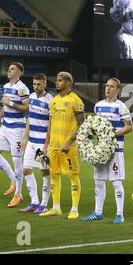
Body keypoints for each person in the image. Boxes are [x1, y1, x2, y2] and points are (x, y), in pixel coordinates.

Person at [82, 78, 133, 223]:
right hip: (101, 150)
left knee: (116, 181)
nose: (108, 89)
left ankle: (120, 215)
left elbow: (129, 127)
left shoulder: (121, 107)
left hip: (115, 149)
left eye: (112, 87)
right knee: (98, 181)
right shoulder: (98, 106)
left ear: (118, 89)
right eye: (107, 86)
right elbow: (96, 126)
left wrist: (111, 135)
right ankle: (98, 213)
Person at [39, 72, 84, 219]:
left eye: (59, 81)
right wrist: (46, 145)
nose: (56, 83)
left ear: (68, 83)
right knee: (54, 175)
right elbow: (50, 124)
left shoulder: (75, 100)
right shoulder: (53, 101)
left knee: (72, 175)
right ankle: (56, 207)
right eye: (57, 80)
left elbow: (81, 124)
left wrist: (69, 141)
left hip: (68, 147)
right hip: (54, 146)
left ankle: (75, 209)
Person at [0, 62, 30, 207]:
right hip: (5, 125)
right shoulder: (6, 86)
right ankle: (14, 180)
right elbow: (4, 105)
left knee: (16, 161)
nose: (9, 70)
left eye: (13, 69)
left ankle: (18, 194)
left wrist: (11, 103)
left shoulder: (22, 88)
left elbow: (26, 107)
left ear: (19, 72)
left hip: (17, 129)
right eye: (9, 68)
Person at [18, 74, 53, 214]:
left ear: (44, 84)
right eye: (34, 84)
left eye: (39, 84)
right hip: (31, 142)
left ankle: (44, 204)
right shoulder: (31, 97)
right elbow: (29, 120)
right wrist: (25, 138)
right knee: (26, 170)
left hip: (42, 143)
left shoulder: (50, 100)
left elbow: (51, 125)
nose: (36, 87)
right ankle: (34, 202)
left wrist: (46, 146)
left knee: (44, 171)